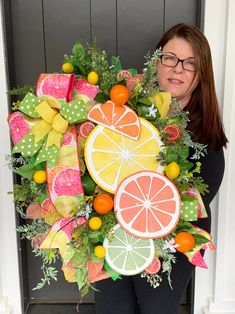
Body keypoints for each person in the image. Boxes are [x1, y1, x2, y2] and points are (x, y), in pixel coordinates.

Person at [94, 23, 228, 314]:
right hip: (114, 223)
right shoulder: (128, 108)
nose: (178, 68)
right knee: (112, 304)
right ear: (157, 63)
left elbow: (188, 206)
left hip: (175, 234)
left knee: (156, 305)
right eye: (170, 58)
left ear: (200, 73)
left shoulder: (207, 139)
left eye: (190, 63)